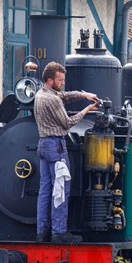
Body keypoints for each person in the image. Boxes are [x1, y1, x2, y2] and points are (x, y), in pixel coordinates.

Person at [34, 61, 99, 243]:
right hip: (56, 147)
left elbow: (64, 96)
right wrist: (87, 109)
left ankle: (42, 232)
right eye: (60, 80)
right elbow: (68, 123)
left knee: (45, 190)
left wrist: (83, 94)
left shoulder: (41, 94)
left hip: (43, 145)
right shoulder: (53, 100)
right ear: (49, 80)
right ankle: (59, 232)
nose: (63, 83)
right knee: (61, 189)